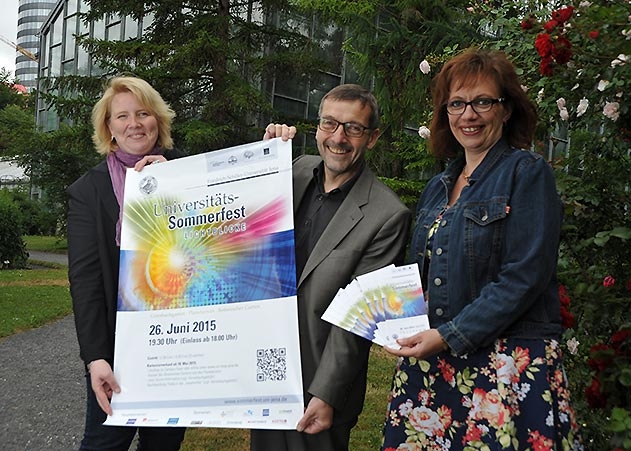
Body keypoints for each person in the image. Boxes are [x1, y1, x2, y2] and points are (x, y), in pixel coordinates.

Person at [381, 47, 583, 450]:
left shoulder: (527, 173)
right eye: (456, 103)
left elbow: (524, 276)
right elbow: (420, 276)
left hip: (505, 365)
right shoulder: (438, 187)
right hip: (434, 364)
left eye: (482, 102)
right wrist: (396, 322)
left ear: (506, 110)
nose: (468, 115)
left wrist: (450, 334)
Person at [253, 84, 411, 451]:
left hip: (319, 384)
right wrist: (263, 158)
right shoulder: (293, 171)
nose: (338, 138)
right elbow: (240, 218)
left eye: (353, 128)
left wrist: (326, 394)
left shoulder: (387, 215)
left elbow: (359, 321)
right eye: (330, 124)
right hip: (266, 370)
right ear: (317, 128)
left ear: (372, 138)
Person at [67, 76, 186, 451]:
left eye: (143, 113)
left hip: (180, 345)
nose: (134, 123)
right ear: (109, 128)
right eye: (122, 116)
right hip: (119, 349)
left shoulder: (189, 174)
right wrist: (95, 359)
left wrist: (172, 184)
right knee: (104, 443)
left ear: (158, 120)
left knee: (164, 446)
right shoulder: (88, 191)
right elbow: (85, 281)